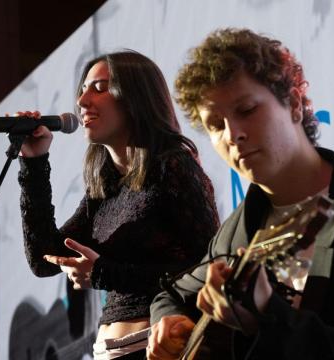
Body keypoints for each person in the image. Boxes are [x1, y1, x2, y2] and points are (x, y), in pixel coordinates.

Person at [147, 28, 334, 359]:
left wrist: (270, 314)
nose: (234, 135)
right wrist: (169, 323)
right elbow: (172, 296)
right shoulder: (237, 232)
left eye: (247, 109)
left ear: (293, 104)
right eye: (216, 125)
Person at [17, 50, 220, 360]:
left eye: (99, 88)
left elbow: (206, 269)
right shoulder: (105, 187)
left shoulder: (174, 166)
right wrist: (34, 162)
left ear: (136, 96)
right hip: (108, 350)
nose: (83, 101)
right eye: (82, 90)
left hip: (158, 346)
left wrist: (103, 273)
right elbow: (44, 259)